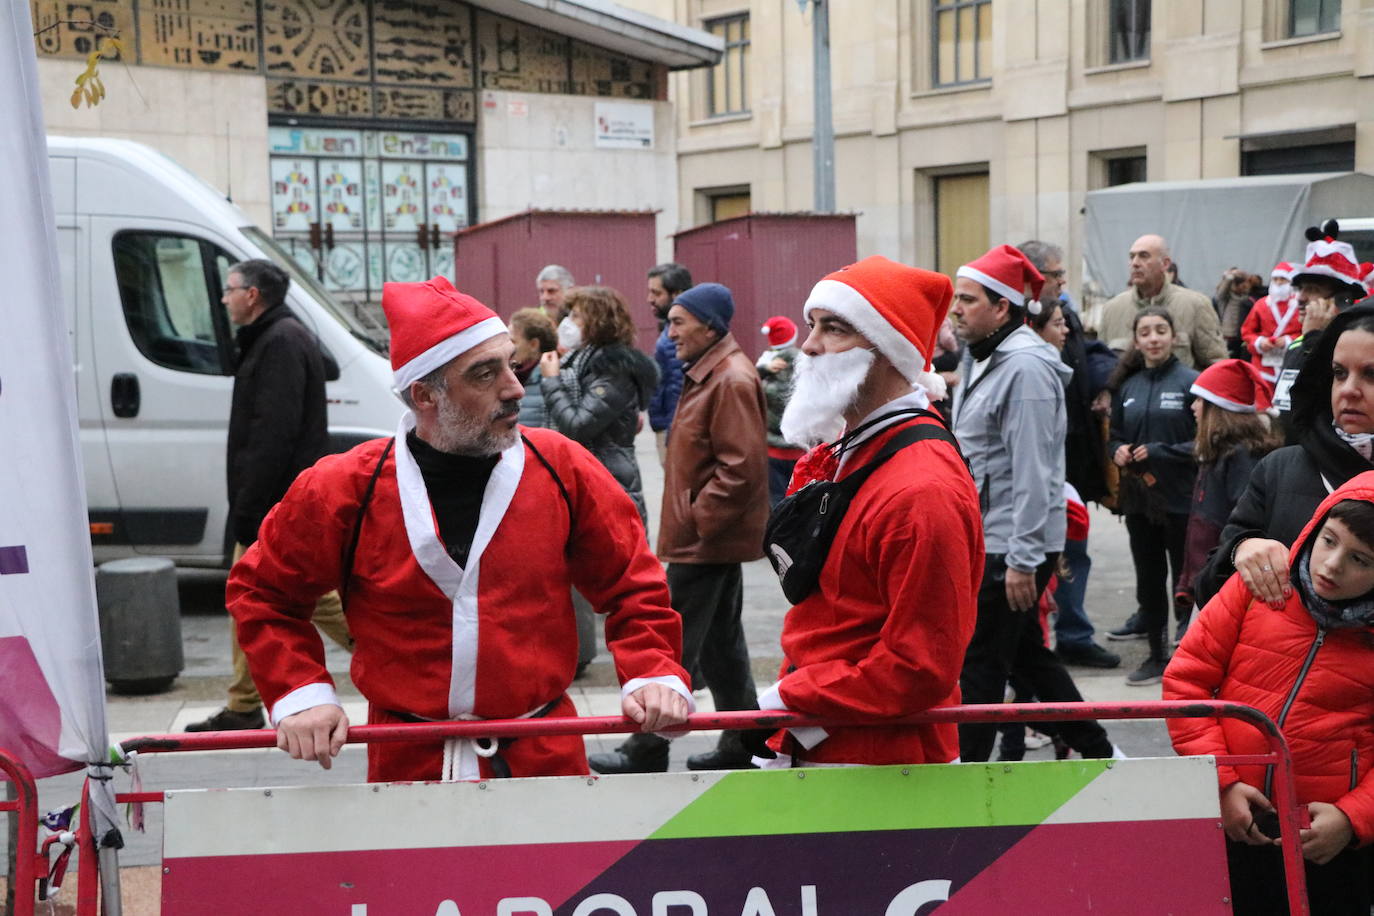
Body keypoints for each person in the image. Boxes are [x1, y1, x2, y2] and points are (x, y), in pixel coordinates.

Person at [227, 276, 692, 781]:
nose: (515, 387)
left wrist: (651, 671)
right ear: (426, 394)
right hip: (409, 760)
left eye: (511, 364)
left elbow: (633, 583)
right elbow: (264, 592)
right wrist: (302, 693)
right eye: (485, 374)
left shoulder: (562, 466)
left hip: (544, 760)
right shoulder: (343, 487)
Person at [749, 255, 982, 767]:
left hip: (878, 765)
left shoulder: (921, 489)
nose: (809, 346)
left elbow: (919, 665)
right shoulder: (863, 447)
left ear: (886, 351)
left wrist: (792, 700)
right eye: (812, 325)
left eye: (834, 330)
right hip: (836, 739)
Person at [1166, 475, 1374, 915]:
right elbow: (1187, 681)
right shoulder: (1258, 589)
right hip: (1233, 822)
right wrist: (1222, 782)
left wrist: (1354, 818)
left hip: (1327, 842)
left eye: (1360, 559)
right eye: (1328, 540)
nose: (1332, 565)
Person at [589, 282, 769, 774]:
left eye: (678, 323)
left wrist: (697, 520)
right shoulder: (711, 372)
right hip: (706, 540)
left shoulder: (730, 378)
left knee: (672, 645)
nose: (669, 334)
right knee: (722, 646)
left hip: (705, 543)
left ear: (709, 326)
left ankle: (647, 748)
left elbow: (742, 468)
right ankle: (744, 742)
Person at [950, 244, 1118, 762]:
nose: (955, 308)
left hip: (1011, 544)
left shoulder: (1024, 368)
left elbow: (1034, 472)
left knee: (980, 665)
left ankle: (963, 778)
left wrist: (1022, 559)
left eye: (967, 299)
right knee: (1023, 656)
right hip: (992, 536)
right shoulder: (980, 357)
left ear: (1002, 308)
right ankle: (1097, 750)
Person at [187, 260, 350, 733]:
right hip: (274, 501)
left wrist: (252, 507)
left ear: (253, 295)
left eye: (230, 290)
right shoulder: (276, 338)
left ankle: (399, 657)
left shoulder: (280, 342)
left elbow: (271, 435)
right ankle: (242, 702)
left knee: (308, 597)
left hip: (276, 504)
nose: (224, 298)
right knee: (251, 593)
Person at [1195, 304, 1374, 610]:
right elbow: (1209, 588)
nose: (1349, 390)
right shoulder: (1280, 468)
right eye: (1339, 373)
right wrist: (1242, 551)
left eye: (1371, 375)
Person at [1105, 308, 1199, 685]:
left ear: (1174, 336)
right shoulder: (1128, 387)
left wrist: (1162, 451)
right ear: (1137, 340)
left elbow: (1205, 443)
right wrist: (1118, 451)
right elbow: (1113, 436)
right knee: (1148, 579)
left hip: (1181, 501)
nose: (1154, 338)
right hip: (1139, 502)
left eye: (1161, 330)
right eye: (1146, 332)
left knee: (1184, 581)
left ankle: (1190, 656)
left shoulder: (1191, 382)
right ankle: (1157, 655)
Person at [1026, 297, 1119, 668]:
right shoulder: (1026, 367)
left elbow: (1094, 350)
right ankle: (1042, 641)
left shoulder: (1065, 340)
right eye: (1058, 324)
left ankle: (1071, 636)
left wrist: (1104, 382)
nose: (1066, 330)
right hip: (1042, 481)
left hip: (1070, 473)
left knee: (1072, 555)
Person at [1174, 360, 1279, 629]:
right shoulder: (1216, 453)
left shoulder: (1242, 456)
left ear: (1218, 408)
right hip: (1211, 581)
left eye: (1200, 400)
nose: (1193, 407)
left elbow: (1241, 526)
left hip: (1225, 586)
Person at [539, 286, 658, 522]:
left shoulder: (613, 369)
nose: (567, 323)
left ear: (598, 322)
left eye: (576, 316)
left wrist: (552, 381)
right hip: (591, 476)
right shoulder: (579, 361)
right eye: (568, 314)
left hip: (610, 481)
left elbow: (578, 426)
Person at [1270, 223, 1369, 422]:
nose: (1300, 298)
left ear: (1343, 300)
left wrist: (1315, 340)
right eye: (1301, 289)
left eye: (1313, 290)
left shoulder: (1355, 346)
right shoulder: (1299, 342)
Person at [1097, 234, 1226, 368]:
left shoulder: (1195, 305)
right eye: (1132, 257)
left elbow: (1217, 366)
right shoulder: (1112, 310)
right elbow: (1101, 366)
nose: (1135, 263)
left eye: (1144, 256)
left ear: (1165, 264)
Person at [757, 315, 805, 507]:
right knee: (802, 501)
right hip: (801, 449)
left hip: (773, 450)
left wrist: (763, 370)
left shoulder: (764, 369)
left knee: (776, 501)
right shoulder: (808, 363)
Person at [646, 263, 691, 465]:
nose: (650, 299)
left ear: (677, 294)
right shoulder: (669, 327)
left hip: (673, 432)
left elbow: (678, 388)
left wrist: (671, 434)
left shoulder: (681, 334)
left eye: (656, 293)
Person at [1239, 262, 1300, 384]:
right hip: (1262, 367)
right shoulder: (1261, 304)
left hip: (1291, 366)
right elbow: (1247, 331)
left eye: (1282, 279)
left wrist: (1289, 341)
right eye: (1275, 279)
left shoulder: (1300, 305)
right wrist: (1260, 342)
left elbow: (1307, 333)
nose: (1278, 283)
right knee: (1262, 400)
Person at [509, 307, 558, 428]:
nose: (507, 347)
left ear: (533, 344)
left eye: (513, 341)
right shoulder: (509, 376)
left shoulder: (553, 381)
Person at [1214, 268, 1256, 360]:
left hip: (1241, 335)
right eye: (1241, 284)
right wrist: (1229, 277)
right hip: (1228, 335)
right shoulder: (1226, 297)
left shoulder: (1247, 297)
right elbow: (1220, 293)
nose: (1244, 286)